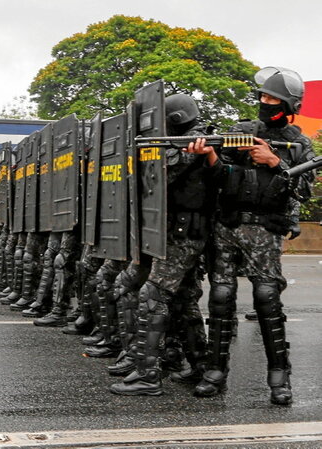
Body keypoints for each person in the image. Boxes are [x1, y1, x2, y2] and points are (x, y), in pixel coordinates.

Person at [187, 67, 315, 405]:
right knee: (220, 297)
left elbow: (303, 192)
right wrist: (210, 155)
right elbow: (217, 177)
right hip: (227, 226)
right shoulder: (241, 132)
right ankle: (215, 371)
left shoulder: (300, 144)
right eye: (262, 96)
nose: (264, 102)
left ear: (289, 104)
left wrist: (275, 163)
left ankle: (279, 377)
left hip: (265, 229)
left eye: (272, 98)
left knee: (267, 297)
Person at [109, 94, 215, 396]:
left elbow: (167, 167)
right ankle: (197, 364)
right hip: (171, 231)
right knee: (182, 300)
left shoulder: (197, 140)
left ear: (177, 119)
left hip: (185, 232)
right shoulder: (180, 140)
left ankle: (148, 375)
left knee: (152, 296)